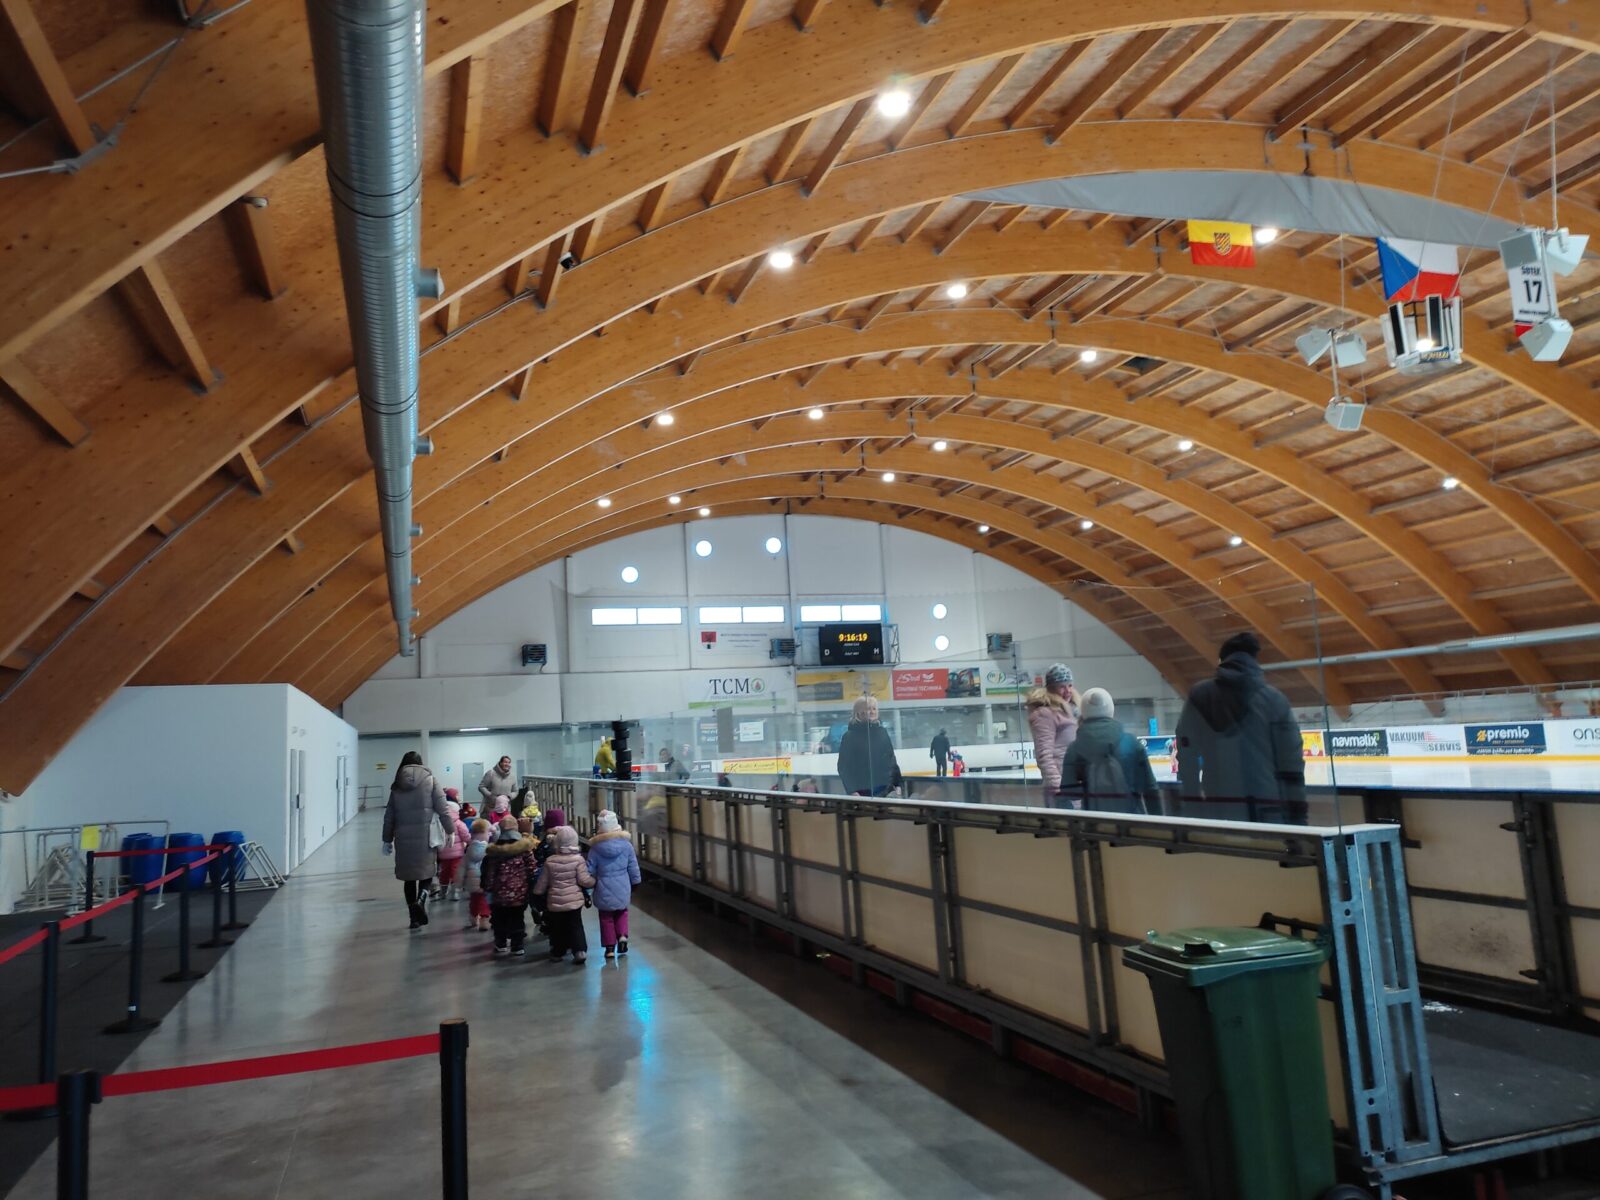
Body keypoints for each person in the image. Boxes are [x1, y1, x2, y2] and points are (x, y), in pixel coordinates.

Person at [1176, 631, 1307, 821]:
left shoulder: (1199, 696)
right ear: (1254, 660)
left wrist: (1192, 801)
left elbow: (1186, 753)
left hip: (1217, 806)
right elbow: (1292, 764)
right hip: (1267, 809)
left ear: (1221, 661)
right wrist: (1299, 816)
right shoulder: (1275, 700)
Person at [381, 751, 452, 930]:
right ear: (420, 763)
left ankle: (413, 919)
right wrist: (450, 830)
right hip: (426, 837)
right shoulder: (431, 780)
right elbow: (443, 809)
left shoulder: (397, 784)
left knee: (409, 878)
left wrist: (387, 839)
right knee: (427, 873)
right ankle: (421, 900)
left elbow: (389, 815)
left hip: (403, 839)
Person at [1059, 688, 1160, 813]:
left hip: (1094, 820)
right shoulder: (1132, 743)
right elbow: (1150, 788)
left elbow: (1067, 791)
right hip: (1132, 818)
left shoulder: (1074, 748)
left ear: (1084, 712)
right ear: (1111, 709)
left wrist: (1090, 787)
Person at [534, 825, 595, 964]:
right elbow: (584, 880)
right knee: (576, 926)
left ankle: (557, 952)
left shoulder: (550, 861)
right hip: (574, 901)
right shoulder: (578, 860)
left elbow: (543, 882)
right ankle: (580, 951)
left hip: (555, 902)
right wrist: (594, 881)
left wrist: (537, 892)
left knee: (557, 928)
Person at [586, 810, 641, 959]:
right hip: (623, 885)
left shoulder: (595, 848)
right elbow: (633, 866)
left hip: (603, 887)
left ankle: (610, 948)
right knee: (622, 912)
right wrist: (636, 882)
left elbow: (589, 869)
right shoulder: (626, 845)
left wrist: (587, 885)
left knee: (606, 917)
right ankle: (622, 936)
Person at [482, 817, 539, 957]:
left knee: (499, 920)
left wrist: (488, 888)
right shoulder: (525, 849)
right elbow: (532, 869)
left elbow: (490, 874)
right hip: (519, 893)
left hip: (499, 894)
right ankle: (517, 945)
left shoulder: (494, 852)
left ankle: (501, 943)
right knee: (517, 919)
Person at [1027, 664, 1079, 804]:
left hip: (1073, 785)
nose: (1068, 691)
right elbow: (1044, 756)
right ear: (1051, 688)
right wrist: (1059, 788)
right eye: (1062, 687)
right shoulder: (1045, 714)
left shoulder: (1071, 711)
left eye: (1070, 685)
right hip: (1062, 789)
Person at [837, 696, 902, 797]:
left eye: (874, 709)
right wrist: (852, 790)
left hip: (885, 789)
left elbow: (891, 760)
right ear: (858, 713)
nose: (872, 712)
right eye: (868, 709)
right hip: (862, 791)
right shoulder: (849, 737)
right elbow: (844, 767)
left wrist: (898, 783)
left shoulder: (882, 732)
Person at [460, 818, 492, 932]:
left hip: (471, 880)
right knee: (485, 900)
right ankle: (484, 920)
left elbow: (463, 865)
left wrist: (460, 880)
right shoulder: (488, 849)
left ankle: (473, 918)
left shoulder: (469, 849)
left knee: (474, 900)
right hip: (484, 878)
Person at [435, 799, 469, 900]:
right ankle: (455, 893)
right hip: (457, 854)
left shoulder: (440, 822)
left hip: (443, 853)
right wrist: (471, 841)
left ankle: (443, 892)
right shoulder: (459, 823)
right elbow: (465, 836)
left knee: (444, 872)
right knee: (455, 872)